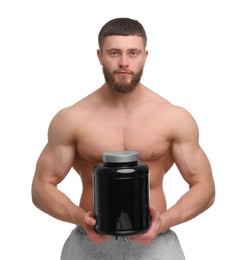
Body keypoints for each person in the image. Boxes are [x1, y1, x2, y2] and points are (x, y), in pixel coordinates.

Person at [31, 17, 215, 260]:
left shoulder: (173, 117)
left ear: (145, 56)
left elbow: (205, 186)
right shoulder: (72, 118)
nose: (124, 62)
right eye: (114, 52)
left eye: (133, 53)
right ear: (100, 56)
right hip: (89, 244)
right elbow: (41, 187)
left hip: (156, 245)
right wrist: (79, 218)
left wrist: (164, 221)